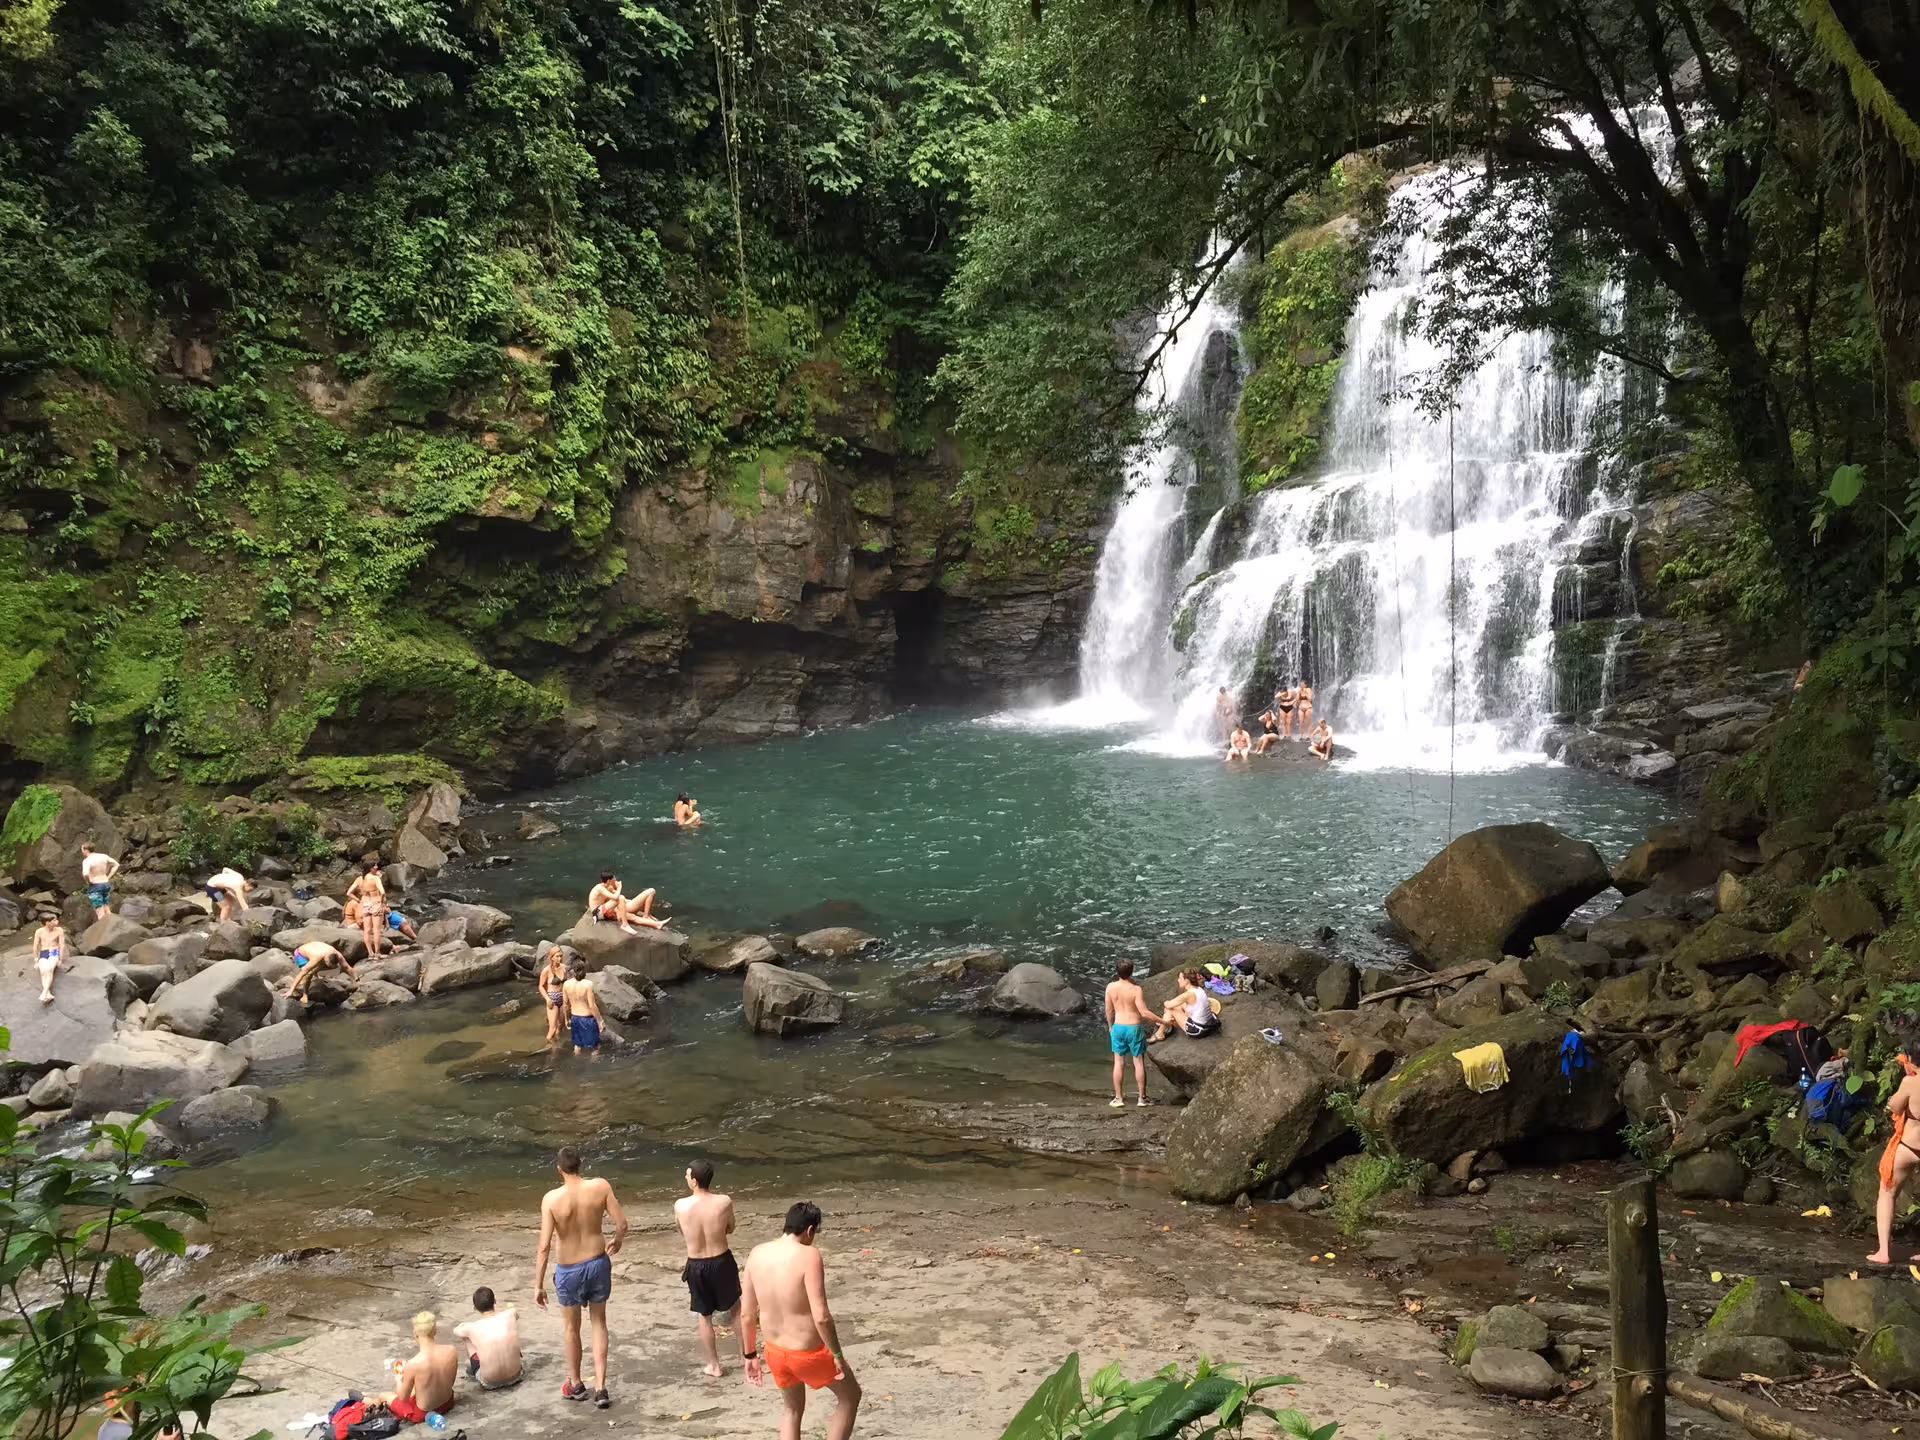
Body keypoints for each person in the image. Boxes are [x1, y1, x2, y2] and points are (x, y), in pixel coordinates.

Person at [740, 1201, 860, 1440]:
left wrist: (750, 1355)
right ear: (809, 1230)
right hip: (808, 1353)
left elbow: (746, 1313)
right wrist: (837, 1355)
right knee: (850, 1397)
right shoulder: (808, 1255)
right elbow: (822, 1316)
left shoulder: (757, 1253)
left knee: (792, 1409)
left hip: (774, 1351)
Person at [534, 1145, 627, 1409]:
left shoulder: (551, 1199)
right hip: (597, 1262)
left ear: (559, 1169)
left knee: (571, 1328)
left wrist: (538, 1285)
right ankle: (600, 1388)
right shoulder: (600, 1186)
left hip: (569, 1269)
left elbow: (544, 1246)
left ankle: (575, 1384)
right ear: (581, 1165)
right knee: (599, 1323)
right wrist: (617, 1241)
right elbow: (622, 1224)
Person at [676, 1159, 742, 1378]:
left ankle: (714, 1365)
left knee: (705, 1316)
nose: (686, 1178)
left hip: (696, 1265)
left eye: (687, 1175)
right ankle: (746, 1356)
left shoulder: (680, 1206)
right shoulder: (724, 1202)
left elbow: (681, 1231)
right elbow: (731, 1228)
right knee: (736, 1308)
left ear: (694, 1181)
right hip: (722, 1260)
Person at [1869, 1040, 1920, 1264]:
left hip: (1908, 1147)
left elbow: (1894, 1106)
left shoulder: (1911, 1082)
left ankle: (1883, 1252)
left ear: (1910, 1058)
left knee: (1887, 1192)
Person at [380, 1310, 459, 1423]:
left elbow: (403, 1397)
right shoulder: (451, 1350)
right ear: (435, 1332)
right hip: (448, 1402)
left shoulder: (414, 1364)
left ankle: (363, 1400)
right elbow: (449, 1382)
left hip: (423, 1413)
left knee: (384, 1396)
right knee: (416, 1383)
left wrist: (398, 1379)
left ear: (415, 1335)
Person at [1102, 959, 1151, 1108]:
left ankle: (1118, 1098)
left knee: (1118, 1062)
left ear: (1117, 971)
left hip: (1118, 1026)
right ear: (1132, 971)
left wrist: (1110, 1027)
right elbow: (1143, 1012)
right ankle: (1142, 1098)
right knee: (1138, 1062)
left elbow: (1108, 1010)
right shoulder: (1136, 989)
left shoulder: (1110, 987)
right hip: (1133, 1026)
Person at [454, 1285, 522, 1390]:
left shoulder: (471, 1327)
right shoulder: (511, 1313)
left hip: (490, 1382)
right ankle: (513, 1357)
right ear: (495, 1301)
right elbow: (516, 1316)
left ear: (475, 1308)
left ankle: (476, 1368)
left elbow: (456, 1331)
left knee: (467, 1338)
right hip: (517, 1374)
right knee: (510, 1329)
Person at [1148, 969, 1217, 1044]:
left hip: (1198, 1030)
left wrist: (1165, 1002)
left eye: (1180, 978)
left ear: (1186, 980)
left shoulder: (1188, 994)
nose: (1178, 980)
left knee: (1170, 1009)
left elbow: (1168, 1005)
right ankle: (1166, 1022)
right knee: (1178, 1005)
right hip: (1208, 1025)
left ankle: (1160, 1033)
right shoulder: (1199, 989)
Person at [587, 872, 662, 934]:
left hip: (605, 908)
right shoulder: (600, 888)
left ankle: (656, 923)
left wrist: (624, 898)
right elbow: (617, 897)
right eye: (614, 879)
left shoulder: (608, 887)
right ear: (609, 881)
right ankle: (624, 924)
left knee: (629, 913)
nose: (615, 880)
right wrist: (619, 887)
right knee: (621, 898)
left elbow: (615, 897)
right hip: (597, 912)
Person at [285, 940, 357, 1002]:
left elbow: (348, 968)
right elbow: (302, 974)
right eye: (328, 964)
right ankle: (305, 994)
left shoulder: (338, 955)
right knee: (308, 975)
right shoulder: (316, 958)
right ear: (326, 960)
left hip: (316, 949)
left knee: (338, 967)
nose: (329, 967)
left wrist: (356, 980)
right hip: (300, 955)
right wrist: (290, 991)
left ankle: (315, 973)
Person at [562, 957, 605, 1053]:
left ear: (573, 970)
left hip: (575, 1018)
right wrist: (600, 1020)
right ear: (584, 970)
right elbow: (592, 1005)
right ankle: (593, 1066)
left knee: (577, 1045)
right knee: (595, 1047)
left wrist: (566, 1019)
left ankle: (576, 1063)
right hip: (587, 1019)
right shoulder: (588, 984)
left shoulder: (566, 984)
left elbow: (565, 1005)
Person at [346, 862, 388, 958]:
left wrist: (358, 900)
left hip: (365, 903)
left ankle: (370, 953)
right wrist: (381, 903)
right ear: (370, 868)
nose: (377, 867)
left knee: (367, 930)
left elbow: (349, 893)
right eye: (375, 866)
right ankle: (377, 953)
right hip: (375, 902)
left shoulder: (360, 879)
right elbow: (382, 892)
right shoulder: (375, 878)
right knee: (376, 930)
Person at [536, 944, 570, 1043]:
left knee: (561, 1026)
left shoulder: (564, 968)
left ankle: (557, 1047)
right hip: (552, 999)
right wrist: (547, 999)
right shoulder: (546, 971)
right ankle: (548, 1050)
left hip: (562, 998)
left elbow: (567, 983)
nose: (559, 958)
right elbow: (541, 986)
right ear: (551, 958)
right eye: (557, 956)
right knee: (553, 1029)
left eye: (561, 956)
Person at [32, 912, 66, 1005]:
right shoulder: (39, 931)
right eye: (54, 920)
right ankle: (48, 993)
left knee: (49, 969)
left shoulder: (59, 930)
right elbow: (35, 946)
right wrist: (36, 960)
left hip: (53, 952)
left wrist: (60, 958)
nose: (57, 921)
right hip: (44, 952)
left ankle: (44, 993)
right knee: (43, 971)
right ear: (47, 923)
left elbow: (61, 945)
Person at [79, 842, 120, 920]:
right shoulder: (103, 856)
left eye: (82, 849)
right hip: (105, 883)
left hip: (95, 886)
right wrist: (108, 877)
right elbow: (116, 865)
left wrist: (89, 881)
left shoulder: (87, 861)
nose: (82, 851)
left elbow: (85, 874)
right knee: (106, 908)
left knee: (100, 913)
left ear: (86, 850)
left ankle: (104, 931)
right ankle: (113, 925)